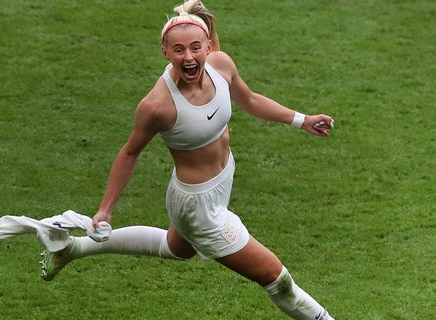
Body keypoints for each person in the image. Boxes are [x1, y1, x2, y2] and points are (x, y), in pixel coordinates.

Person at [40, 1, 335, 319]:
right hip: (196, 206)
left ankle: (73, 248)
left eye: (196, 48)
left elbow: (248, 100)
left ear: (208, 46)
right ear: (165, 53)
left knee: (177, 248)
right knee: (275, 278)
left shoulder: (221, 65)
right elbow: (130, 152)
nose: (189, 57)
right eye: (179, 50)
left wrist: (301, 119)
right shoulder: (158, 106)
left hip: (222, 181)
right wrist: (105, 209)